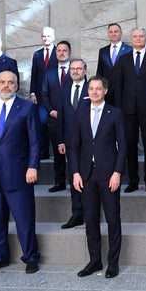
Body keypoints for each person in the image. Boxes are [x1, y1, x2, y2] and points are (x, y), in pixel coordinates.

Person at [0, 71, 41, 274]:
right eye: (2, 82)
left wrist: (33, 166)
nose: (6, 86)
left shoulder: (27, 107)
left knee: (24, 219)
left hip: (19, 173)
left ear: (16, 85)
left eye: (10, 83)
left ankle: (30, 257)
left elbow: (35, 141)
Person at [70, 76, 127, 279]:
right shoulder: (81, 113)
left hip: (109, 174)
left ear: (105, 91)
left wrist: (117, 173)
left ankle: (113, 262)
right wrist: (76, 173)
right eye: (91, 88)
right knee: (91, 219)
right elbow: (74, 146)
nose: (94, 92)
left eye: (98, 89)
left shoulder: (115, 113)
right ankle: (95, 261)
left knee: (112, 219)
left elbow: (123, 147)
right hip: (86, 174)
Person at [114, 27, 146, 193]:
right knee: (130, 145)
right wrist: (119, 110)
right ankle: (133, 180)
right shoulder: (123, 59)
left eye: (141, 36)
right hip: (128, 110)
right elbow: (118, 86)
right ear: (132, 38)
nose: (138, 39)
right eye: (135, 36)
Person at [56, 58, 89, 229]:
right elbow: (61, 116)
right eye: (72, 69)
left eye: (79, 69)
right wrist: (61, 140)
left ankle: (90, 213)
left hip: (89, 142)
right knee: (73, 176)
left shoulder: (92, 88)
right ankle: (77, 214)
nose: (75, 71)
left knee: (89, 177)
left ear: (85, 70)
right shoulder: (64, 89)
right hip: (69, 142)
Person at [41, 40, 72, 193]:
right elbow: (44, 94)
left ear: (69, 53)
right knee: (57, 152)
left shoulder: (75, 70)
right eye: (59, 50)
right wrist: (51, 110)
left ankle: (75, 180)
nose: (61, 53)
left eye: (64, 50)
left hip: (72, 120)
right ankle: (59, 182)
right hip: (54, 118)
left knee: (74, 151)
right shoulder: (49, 72)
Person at [29, 27, 58, 159]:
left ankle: (58, 152)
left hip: (55, 95)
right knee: (41, 124)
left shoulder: (60, 52)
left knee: (55, 125)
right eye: (44, 36)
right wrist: (32, 93)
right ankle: (44, 152)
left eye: (48, 36)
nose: (46, 38)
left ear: (53, 37)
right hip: (40, 96)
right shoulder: (37, 54)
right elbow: (34, 74)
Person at [96, 23, 132, 106]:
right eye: (111, 32)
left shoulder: (129, 50)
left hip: (124, 92)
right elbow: (100, 72)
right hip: (107, 92)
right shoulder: (103, 51)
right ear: (108, 34)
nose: (113, 34)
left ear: (121, 33)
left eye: (116, 31)